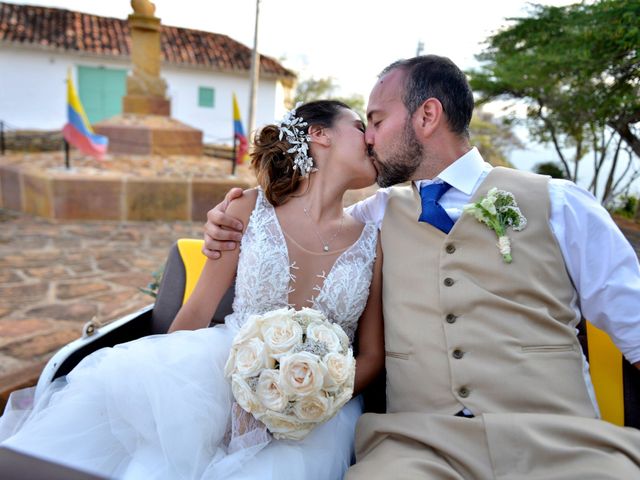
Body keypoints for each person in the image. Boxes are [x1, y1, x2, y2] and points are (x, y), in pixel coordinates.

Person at [202, 55, 640, 479]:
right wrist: (227, 220)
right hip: (417, 449)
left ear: (427, 116)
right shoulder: (373, 217)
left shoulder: (560, 203)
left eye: (376, 121)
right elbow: (298, 223)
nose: (369, 138)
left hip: (565, 445)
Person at [0, 100, 384, 480]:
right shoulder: (246, 210)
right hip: (216, 371)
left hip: (319, 408)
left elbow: (370, 354)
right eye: (357, 125)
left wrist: (306, 401)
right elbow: (198, 309)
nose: (370, 138)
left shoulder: (372, 241)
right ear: (319, 135)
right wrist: (169, 386)